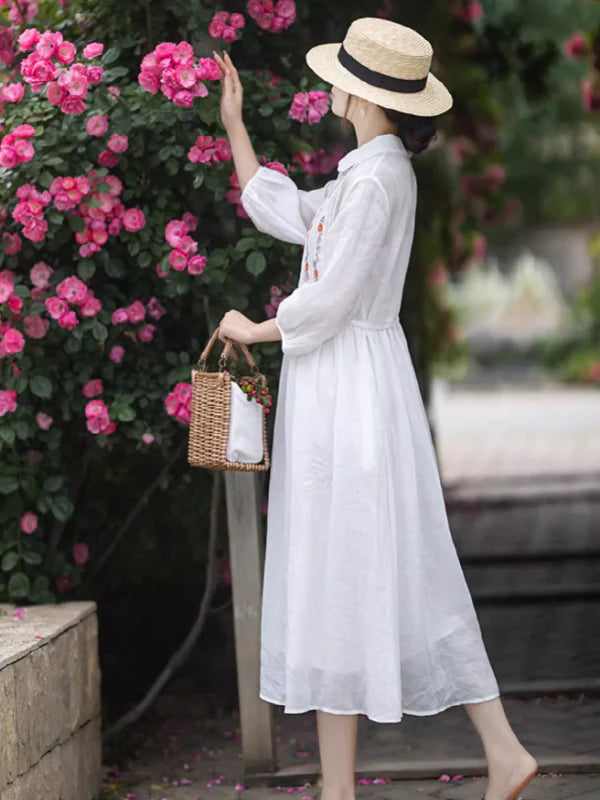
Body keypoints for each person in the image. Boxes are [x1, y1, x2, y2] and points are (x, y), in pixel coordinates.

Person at [213, 17, 538, 800]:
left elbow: (334, 295)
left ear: (360, 92)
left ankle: (498, 751)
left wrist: (253, 325)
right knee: (344, 576)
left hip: (350, 394)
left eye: (339, 74)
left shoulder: (376, 180)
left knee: (379, 566)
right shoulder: (368, 172)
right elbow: (290, 213)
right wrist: (235, 127)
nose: (331, 82)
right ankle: (342, 787)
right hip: (345, 386)